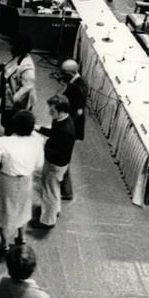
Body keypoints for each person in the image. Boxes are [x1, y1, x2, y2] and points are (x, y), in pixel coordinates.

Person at [0, 109, 44, 251]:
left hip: (6, 180)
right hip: (26, 180)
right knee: (23, 210)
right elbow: (39, 164)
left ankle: (4, 244)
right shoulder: (37, 142)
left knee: (3, 211)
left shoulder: (3, 142)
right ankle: (21, 238)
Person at [32, 94, 75, 231]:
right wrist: (39, 128)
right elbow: (54, 134)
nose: (50, 114)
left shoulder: (65, 130)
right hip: (59, 164)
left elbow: (60, 151)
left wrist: (42, 147)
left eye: (52, 111)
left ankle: (47, 222)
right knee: (54, 189)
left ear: (61, 111)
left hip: (55, 164)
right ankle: (55, 210)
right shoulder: (62, 120)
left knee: (48, 192)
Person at [58, 59, 88, 201]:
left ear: (71, 72)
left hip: (70, 128)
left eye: (64, 73)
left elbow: (78, 111)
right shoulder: (77, 82)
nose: (61, 75)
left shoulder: (77, 87)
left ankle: (66, 190)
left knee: (64, 158)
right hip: (71, 126)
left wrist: (65, 123)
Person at [0, 34, 36, 131]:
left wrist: (14, 100)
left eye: (12, 45)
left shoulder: (27, 66)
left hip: (17, 103)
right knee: (6, 122)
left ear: (19, 47)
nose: (10, 48)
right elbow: (14, 68)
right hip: (9, 98)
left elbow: (27, 87)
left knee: (13, 125)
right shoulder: (19, 57)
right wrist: (4, 67)